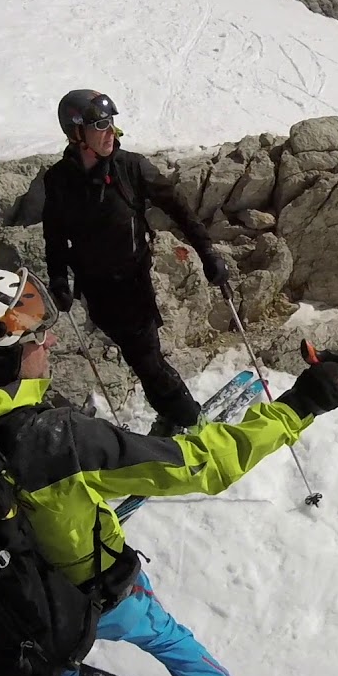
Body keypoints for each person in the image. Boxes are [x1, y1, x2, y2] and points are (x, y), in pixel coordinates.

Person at [0, 266, 338, 676]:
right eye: (31, 334)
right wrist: (298, 407)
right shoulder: (53, 440)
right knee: (166, 638)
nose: (48, 339)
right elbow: (202, 464)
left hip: (3, 624)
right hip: (97, 596)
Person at [41, 89, 230, 434]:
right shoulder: (58, 181)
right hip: (95, 291)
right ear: (76, 133)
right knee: (139, 357)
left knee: (146, 359)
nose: (110, 130)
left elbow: (181, 211)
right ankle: (173, 411)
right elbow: (54, 237)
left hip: (132, 286)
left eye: (111, 122)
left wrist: (209, 255)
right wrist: (57, 279)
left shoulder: (132, 168)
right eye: (100, 124)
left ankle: (188, 418)